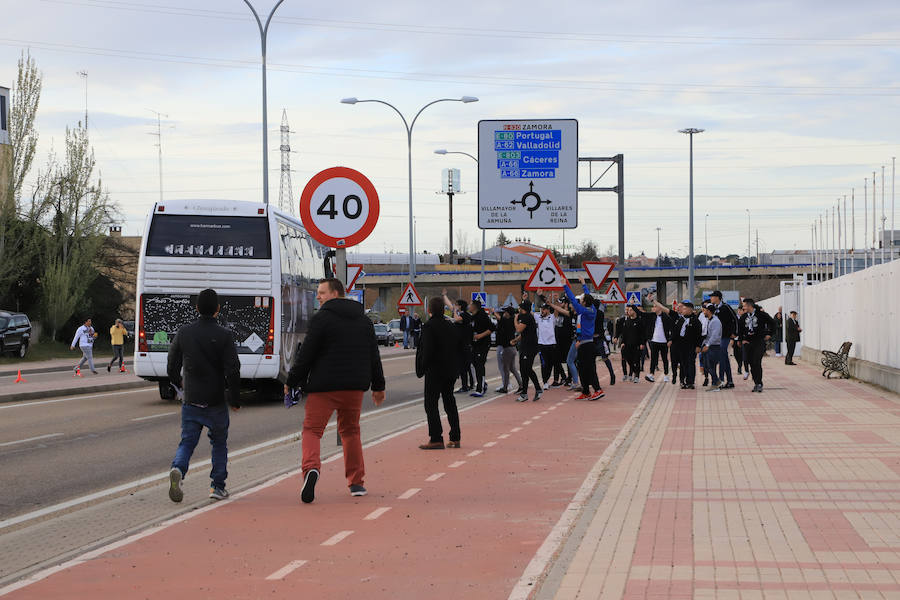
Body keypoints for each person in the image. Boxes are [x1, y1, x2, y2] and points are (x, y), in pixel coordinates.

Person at [285, 278, 386, 503]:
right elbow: (373, 356)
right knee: (351, 432)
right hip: (354, 388)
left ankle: (311, 469)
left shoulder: (321, 319)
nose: (318, 297)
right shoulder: (363, 320)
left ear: (335, 293)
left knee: (312, 430)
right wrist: (379, 386)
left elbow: (306, 355)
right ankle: (357, 482)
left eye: (321, 293)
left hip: (324, 387)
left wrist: (292, 381)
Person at [167, 289, 241, 502]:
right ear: (218, 309)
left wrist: (177, 384)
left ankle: (178, 470)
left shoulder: (184, 332)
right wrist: (235, 399)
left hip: (191, 399)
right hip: (216, 401)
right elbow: (233, 370)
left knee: (187, 442)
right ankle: (217, 487)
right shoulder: (225, 335)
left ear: (196, 308)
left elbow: (172, 364)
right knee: (219, 443)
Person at [416, 296, 461, 449]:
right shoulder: (451, 326)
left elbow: (427, 350)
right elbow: (458, 347)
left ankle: (436, 438)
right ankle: (455, 437)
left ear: (429, 310)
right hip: (450, 371)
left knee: (431, 404)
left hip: (435, 371)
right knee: (450, 402)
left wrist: (422, 367)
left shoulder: (429, 327)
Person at [561, 278, 605, 400]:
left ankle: (598, 389)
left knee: (590, 368)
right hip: (582, 343)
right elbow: (588, 296)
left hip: (587, 345)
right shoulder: (593, 309)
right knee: (582, 368)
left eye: (581, 300)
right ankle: (586, 391)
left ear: (585, 302)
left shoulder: (585, 311)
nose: (579, 302)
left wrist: (565, 286)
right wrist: (584, 284)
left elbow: (572, 301)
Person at [737, 298, 774, 392]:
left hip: (759, 341)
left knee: (757, 362)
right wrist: (741, 340)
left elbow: (772, 323)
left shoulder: (761, 315)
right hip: (748, 342)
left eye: (744, 306)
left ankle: (759, 383)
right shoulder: (743, 316)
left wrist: (769, 334)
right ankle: (756, 382)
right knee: (751, 364)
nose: (743, 307)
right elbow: (740, 329)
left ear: (750, 306)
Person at [443, 291, 474, 393]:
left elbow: (456, 319)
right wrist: (444, 296)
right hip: (460, 345)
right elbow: (450, 306)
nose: (454, 306)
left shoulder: (465, 315)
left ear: (460, 306)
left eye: (456, 305)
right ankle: (470, 384)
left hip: (464, 345)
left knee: (463, 367)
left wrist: (455, 311)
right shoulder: (460, 313)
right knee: (465, 367)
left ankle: (465, 386)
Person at [513, 299, 542, 402]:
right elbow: (524, 333)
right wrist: (516, 340)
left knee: (527, 368)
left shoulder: (527, 317)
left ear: (524, 309)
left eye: (520, 307)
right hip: (524, 346)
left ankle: (538, 389)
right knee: (523, 369)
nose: (519, 309)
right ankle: (524, 393)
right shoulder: (526, 317)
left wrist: (515, 320)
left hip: (530, 347)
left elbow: (519, 329)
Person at [708, 291, 738, 389]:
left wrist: (735, 333)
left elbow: (735, 319)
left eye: (712, 296)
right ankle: (730, 381)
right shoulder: (714, 308)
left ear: (718, 297)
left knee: (721, 356)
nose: (711, 298)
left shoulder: (726, 307)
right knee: (724, 358)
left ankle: (721, 380)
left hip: (725, 336)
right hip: (717, 337)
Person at [493, 306, 522, 393]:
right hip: (512, 349)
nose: (504, 313)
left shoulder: (508, 321)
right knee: (512, 368)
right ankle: (521, 385)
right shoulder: (511, 321)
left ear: (508, 313)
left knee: (506, 369)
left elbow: (501, 319)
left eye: (505, 312)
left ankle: (505, 388)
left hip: (508, 349)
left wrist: (494, 312)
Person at [469, 299, 495, 397]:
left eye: (470, 304)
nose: (469, 306)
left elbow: (492, 328)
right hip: (475, 345)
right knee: (475, 363)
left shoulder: (482, 316)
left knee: (480, 365)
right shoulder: (473, 317)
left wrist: (480, 335)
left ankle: (480, 388)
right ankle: (482, 383)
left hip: (483, 344)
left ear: (475, 306)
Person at [644, 304, 672, 383]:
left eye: (655, 307)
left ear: (660, 308)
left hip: (664, 342)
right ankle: (651, 374)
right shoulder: (652, 316)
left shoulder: (666, 317)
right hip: (654, 341)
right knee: (653, 359)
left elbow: (671, 328)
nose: (653, 308)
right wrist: (632, 305)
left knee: (664, 359)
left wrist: (670, 339)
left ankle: (666, 375)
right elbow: (642, 314)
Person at [616, 305, 644, 383]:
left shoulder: (639, 321)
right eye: (629, 310)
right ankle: (635, 371)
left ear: (635, 311)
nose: (629, 311)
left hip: (637, 345)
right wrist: (622, 342)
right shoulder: (627, 321)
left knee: (637, 361)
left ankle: (637, 376)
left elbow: (642, 333)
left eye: (631, 310)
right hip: (627, 345)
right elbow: (624, 334)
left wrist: (642, 343)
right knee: (628, 359)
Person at [536, 303, 559, 389]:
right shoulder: (538, 317)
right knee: (544, 364)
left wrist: (555, 301)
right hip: (542, 345)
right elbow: (528, 311)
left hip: (552, 345)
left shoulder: (552, 317)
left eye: (544, 309)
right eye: (542, 309)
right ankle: (545, 382)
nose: (542, 311)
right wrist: (524, 299)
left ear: (548, 310)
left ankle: (547, 379)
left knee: (550, 364)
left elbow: (557, 309)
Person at [700, 304, 723, 390]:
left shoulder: (715, 321)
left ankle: (716, 384)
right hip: (707, 345)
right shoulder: (709, 320)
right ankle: (716, 382)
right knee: (706, 366)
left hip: (713, 346)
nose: (703, 312)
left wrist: (708, 345)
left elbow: (715, 336)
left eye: (705, 310)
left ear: (709, 311)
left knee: (711, 366)